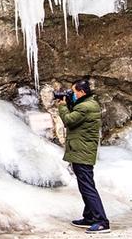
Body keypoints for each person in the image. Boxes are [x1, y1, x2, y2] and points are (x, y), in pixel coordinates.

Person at [57, 79, 111, 234]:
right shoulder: (88, 104)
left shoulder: (86, 107)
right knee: (85, 185)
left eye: (73, 92)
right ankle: (89, 217)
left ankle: (102, 221)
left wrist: (61, 106)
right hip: (82, 150)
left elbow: (68, 120)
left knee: (87, 187)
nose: (71, 94)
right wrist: (68, 103)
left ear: (81, 92)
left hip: (82, 152)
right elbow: (76, 115)